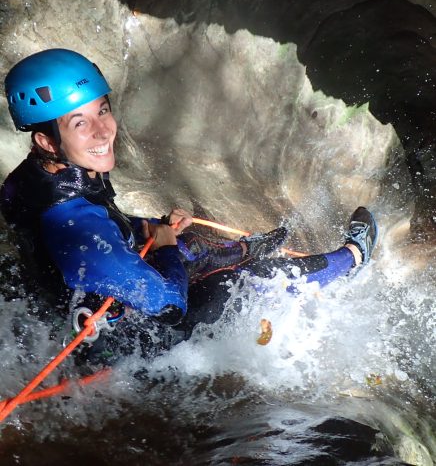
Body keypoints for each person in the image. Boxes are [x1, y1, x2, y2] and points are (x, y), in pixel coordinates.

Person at [0, 49, 378, 363]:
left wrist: (152, 226)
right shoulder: (70, 223)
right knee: (243, 283)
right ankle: (352, 259)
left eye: (102, 110)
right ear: (47, 141)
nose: (102, 131)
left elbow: (97, 223)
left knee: (192, 246)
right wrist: (163, 246)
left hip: (78, 311)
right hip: (124, 351)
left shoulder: (39, 176)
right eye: (79, 123)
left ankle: (249, 247)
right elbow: (168, 305)